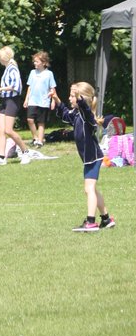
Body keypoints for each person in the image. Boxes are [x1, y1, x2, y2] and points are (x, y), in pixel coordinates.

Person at [52, 82, 115, 232]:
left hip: (93, 158)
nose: (70, 98)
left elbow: (86, 109)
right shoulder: (76, 114)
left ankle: (91, 222)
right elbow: (65, 114)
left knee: (89, 189)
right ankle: (106, 219)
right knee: (92, 189)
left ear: (82, 98)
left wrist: (80, 99)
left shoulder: (87, 117)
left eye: (73, 96)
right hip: (89, 159)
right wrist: (56, 99)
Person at [0, 47, 36, 166]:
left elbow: (15, 86)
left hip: (12, 101)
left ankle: (25, 151)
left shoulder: (13, 68)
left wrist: (1, 89)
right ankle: (1, 156)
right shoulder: (7, 69)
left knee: (8, 130)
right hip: (5, 100)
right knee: (1, 129)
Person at [24, 51, 57, 148]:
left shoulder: (49, 74)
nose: (35, 63)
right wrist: (26, 99)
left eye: (37, 61)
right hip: (32, 100)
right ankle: (35, 137)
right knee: (30, 119)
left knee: (41, 122)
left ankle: (40, 141)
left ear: (44, 63)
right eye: (34, 61)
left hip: (44, 101)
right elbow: (29, 87)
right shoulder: (32, 73)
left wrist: (53, 100)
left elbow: (52, 88)